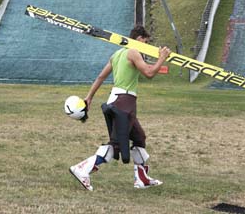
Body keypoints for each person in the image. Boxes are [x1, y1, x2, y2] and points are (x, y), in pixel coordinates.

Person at [69, 25, 171, 191]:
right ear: (139, 39)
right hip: (124, 104)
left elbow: (101, 76)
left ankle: (142, 179)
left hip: (118, 101)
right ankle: (82, 169)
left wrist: (89, 97)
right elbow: (149, 73)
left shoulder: (117, 54)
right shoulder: (133, 52)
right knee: (116, 144)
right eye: (145, 42)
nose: (145, 47)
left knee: (139, 138)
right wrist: (162, 58)